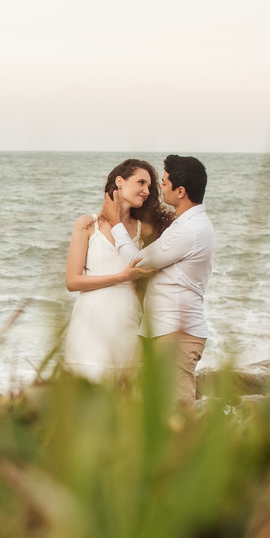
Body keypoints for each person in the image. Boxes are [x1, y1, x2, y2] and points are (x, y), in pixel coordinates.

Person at [99, 154, 215, 405]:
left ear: (181, 191)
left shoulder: (189, 230)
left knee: (176, 412)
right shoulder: (187, 224)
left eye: (163, 183)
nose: (158, 188)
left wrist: (116, 223)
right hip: (166, 331)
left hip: (176, 334)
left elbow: (138, 261)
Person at [63, 158, 174, 382]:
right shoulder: (87, 224)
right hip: (90, 319)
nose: (146, 190)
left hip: (128, 319)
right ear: (120, 181)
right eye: (141, 182)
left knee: (124, 397)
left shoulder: (147, 230)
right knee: (86, 393)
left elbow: (146, 286)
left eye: (150, 186)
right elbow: (72, 282)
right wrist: (120, 277)